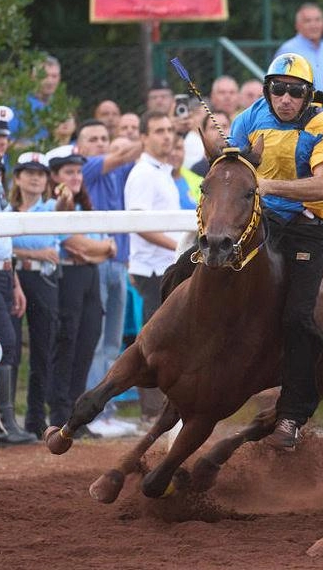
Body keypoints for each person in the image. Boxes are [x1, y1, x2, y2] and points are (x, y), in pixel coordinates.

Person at [228, 53, 323, 449]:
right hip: (259, 221)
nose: (285, 98)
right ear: (267, 90)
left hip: (306, 229)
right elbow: (230, 166)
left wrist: (265, 186)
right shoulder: (251, 115)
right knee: (190, 267)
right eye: (278, 89)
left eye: (295, 91)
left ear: (308, 95)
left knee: (296, 318)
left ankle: (291, 415)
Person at [74, 118, 142, 438]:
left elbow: (133, 161)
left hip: (119, 264)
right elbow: (126, 155)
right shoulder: (87, 168)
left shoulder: (120, 172)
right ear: (80, 147)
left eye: (105, 138)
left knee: (114, 343)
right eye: (94, 139)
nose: (100, 143)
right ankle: (91, 413)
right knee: (98, 341)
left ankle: (108, 412)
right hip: (97, 262)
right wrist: (147, 138)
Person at [45, 144, 117, 432]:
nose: (76, 177)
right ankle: (59, 413)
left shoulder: (86, 205)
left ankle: (75, 416)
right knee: (67, 343)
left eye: (77, 172)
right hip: (68, 278)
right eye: (68, 172)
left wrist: (92, 250)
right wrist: (93, 249)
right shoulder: (52, 206)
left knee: (87, 342)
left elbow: (106, 249)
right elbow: (73, 244)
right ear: (55, 176)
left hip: (89, 276)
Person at [124, 111, 181, 424]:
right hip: (152, 272)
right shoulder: (143, 173)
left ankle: (162, 412)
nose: (166, 135)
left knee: (167, 341)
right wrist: (179, 247)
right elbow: (140, 223)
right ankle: (150, 414)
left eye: (170, 130)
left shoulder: (163, 171)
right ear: (144, 137)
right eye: (159, 130)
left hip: (165, 268)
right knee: (153, 344)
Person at [0, 105, 35, 446]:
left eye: (4, 137)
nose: (1, 142)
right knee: (1, 341)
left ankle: (0, 422)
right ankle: (1, 423)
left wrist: (15, 279)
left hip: (4, 271)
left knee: (7, 344)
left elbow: (4, 236)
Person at [7, 151, 63, 438]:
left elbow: (65, 230)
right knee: (11, 346)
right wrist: (32, 252)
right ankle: (7, 416)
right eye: (28, 171)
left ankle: (34, 418)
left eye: (40, 173)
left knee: (42, 349)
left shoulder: (55, 207)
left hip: (43, 280)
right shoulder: (4, 212)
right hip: (13, 277)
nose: (35, 177)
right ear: (17, 177)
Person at [275, 3, 323, 92]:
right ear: (297, 25)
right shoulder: (288, 51)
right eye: (308, 21)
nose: (314, 25)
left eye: (317, 20)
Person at [9, 56, 62, 146]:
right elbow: (5, 142)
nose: (50, 81)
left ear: (59, 78)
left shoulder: (61, 106)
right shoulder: (17, 105)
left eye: (54, 76)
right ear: (33, 77)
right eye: (44, 76)